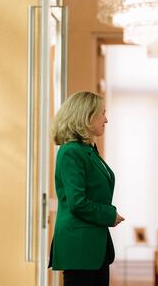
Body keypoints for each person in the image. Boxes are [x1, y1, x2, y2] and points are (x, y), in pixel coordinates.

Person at [49, 91, 125, 286]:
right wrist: (110, 215)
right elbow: (77, 203)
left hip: (93, 247)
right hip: (79, 247)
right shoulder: (71, 152)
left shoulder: (87, 150)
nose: (106, 119)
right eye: (102, 113)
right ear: (86, 116)